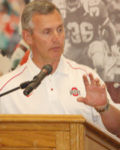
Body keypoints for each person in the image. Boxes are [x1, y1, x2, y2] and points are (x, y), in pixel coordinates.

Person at [0, 0, 120, 138]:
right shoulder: (6, 89)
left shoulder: (87, 78)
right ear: (28, 37)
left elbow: (117, 131)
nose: (57, 38)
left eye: (60, 29)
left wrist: (104, 107)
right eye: (47, 32)